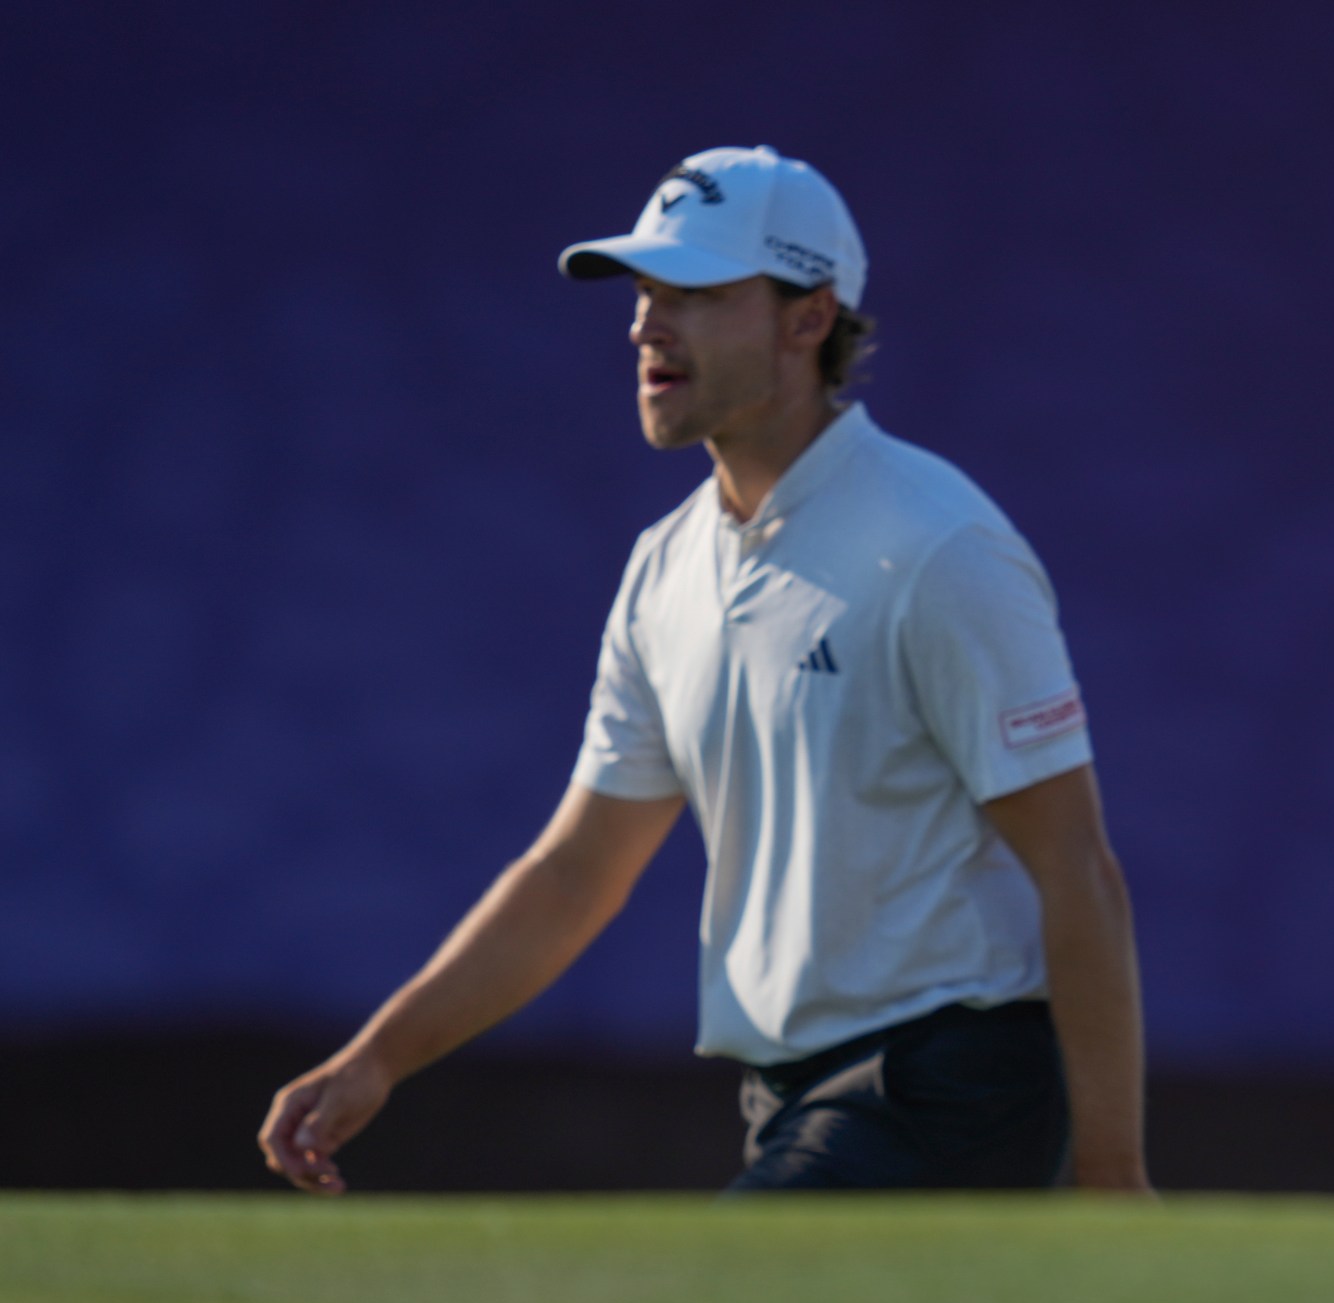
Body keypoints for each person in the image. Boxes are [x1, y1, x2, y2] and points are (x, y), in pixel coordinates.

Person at [260, 145, 1148, 1194]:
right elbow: (576, 869)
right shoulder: (665, 567)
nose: (645, 325)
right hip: (790, 1099)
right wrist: (379, 1058)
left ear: (808, 318)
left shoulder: (937, 546)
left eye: (695, 294)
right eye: (643, 294)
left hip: (948, 1086)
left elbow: (1075, 866)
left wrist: (1109, 1171)